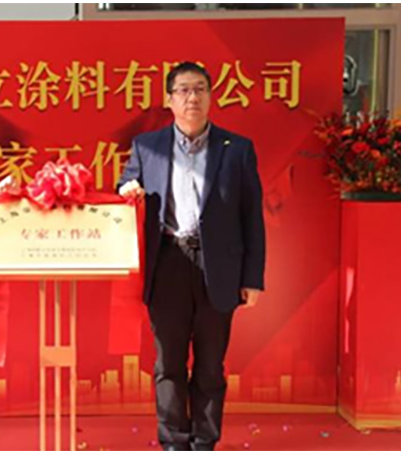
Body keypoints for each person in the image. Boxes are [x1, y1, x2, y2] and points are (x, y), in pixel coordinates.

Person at [118, 62, 265, 451]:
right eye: (183, 90)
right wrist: (127, 187)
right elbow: (126, 184)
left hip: (218, 267)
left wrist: (252, 278)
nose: (192, 97)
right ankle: (173, 440)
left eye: (200, 89)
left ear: (211, 97)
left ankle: (204, 440)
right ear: (169, 100)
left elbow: (252, 217)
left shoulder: (237, 149)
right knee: (168, 363)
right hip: (167, 262)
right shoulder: (147, 146)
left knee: (211, 364)